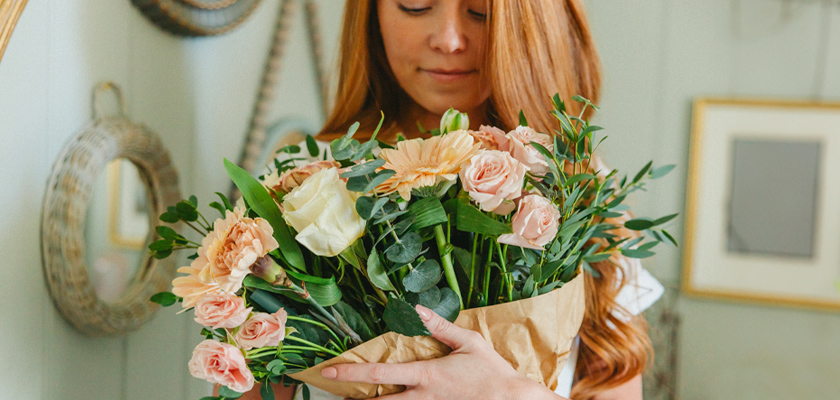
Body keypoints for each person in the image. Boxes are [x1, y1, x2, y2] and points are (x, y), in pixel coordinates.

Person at [234, 0, 663, 399]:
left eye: (479, 10)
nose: (449, 39)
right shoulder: (306, 189)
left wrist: (509, 393)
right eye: (415, 4)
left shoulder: (577, 191)